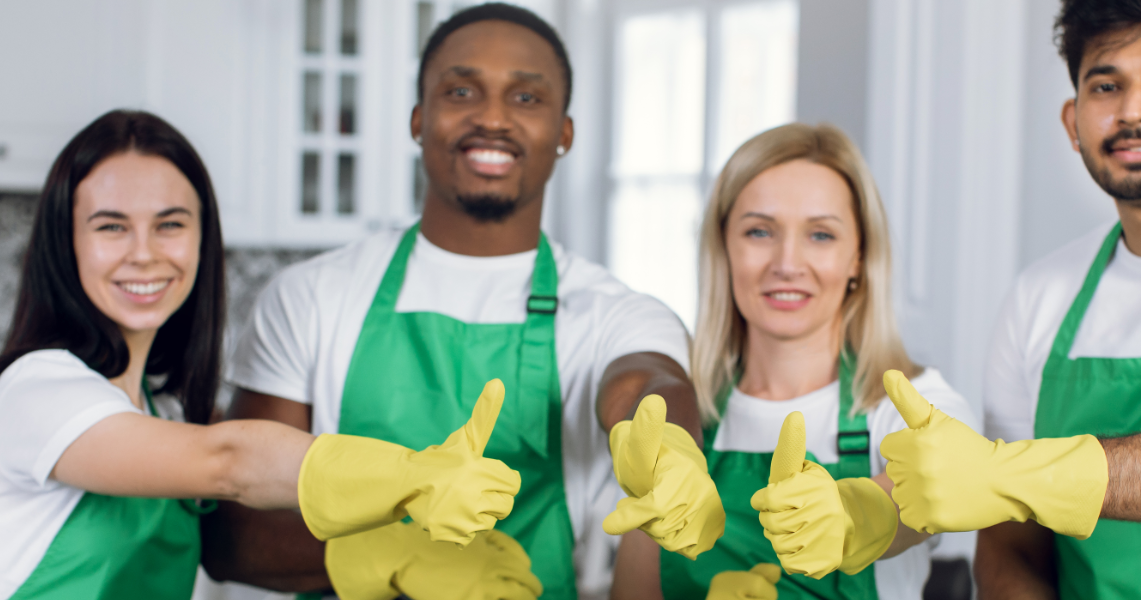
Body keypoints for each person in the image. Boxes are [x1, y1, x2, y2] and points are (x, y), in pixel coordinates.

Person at [202, 4, 719, 600]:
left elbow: (644, 385)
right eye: (462, 90)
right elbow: (233, 537)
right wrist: (388, 555)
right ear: (419, 119)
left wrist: (668, 448)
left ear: (564, 133)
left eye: (526, 98)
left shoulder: (613, 312)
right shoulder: (310, 298)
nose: (492, 118)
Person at [0, 110, 542, 600]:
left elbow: (240, 512)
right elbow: (229, 462)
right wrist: (408, 477)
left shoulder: (161, 410)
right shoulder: (35, 391)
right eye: (111, 227)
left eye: (170, 224)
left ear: (202, 238)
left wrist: (385, 554)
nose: (144, 253)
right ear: (65, 242)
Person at [872, 1, 1141, 598]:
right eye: (1107, 85)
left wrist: (1013, 474)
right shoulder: (1037, 297)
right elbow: (1008, 546)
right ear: (1073, 122)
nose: (1133, 111)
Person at [609, 123, 978, 600]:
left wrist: (853, 517)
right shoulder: (678, 415)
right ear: (724, 247)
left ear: (858, 258)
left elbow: (933, 491)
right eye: (759, 231)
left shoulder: (912, 405)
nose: (787, 262)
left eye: (821, 235)